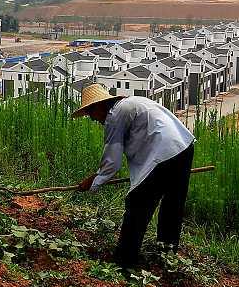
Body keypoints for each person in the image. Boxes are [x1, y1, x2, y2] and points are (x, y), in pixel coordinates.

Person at [72, 83, 195, 268]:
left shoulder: (115, 116)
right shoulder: (134, 103)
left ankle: (125, 262)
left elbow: (112, 163)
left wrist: (94, 181)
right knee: (173, 205)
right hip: (183, 147)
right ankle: (167, 255)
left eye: (90, 113)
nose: (92, 119)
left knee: (137, 205)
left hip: (162, 155)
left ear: (99, 106)